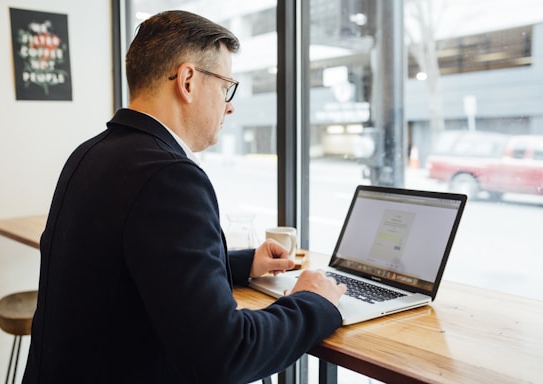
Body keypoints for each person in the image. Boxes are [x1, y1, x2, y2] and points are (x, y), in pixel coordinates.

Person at [23, 10, 346, 384]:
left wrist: (243, 264)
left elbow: (137, 263)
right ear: (188, 81)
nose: (230, 105)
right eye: (226, 86)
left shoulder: (89, 154)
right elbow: (225, 355)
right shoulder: (169, 177)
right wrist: (312, 301)